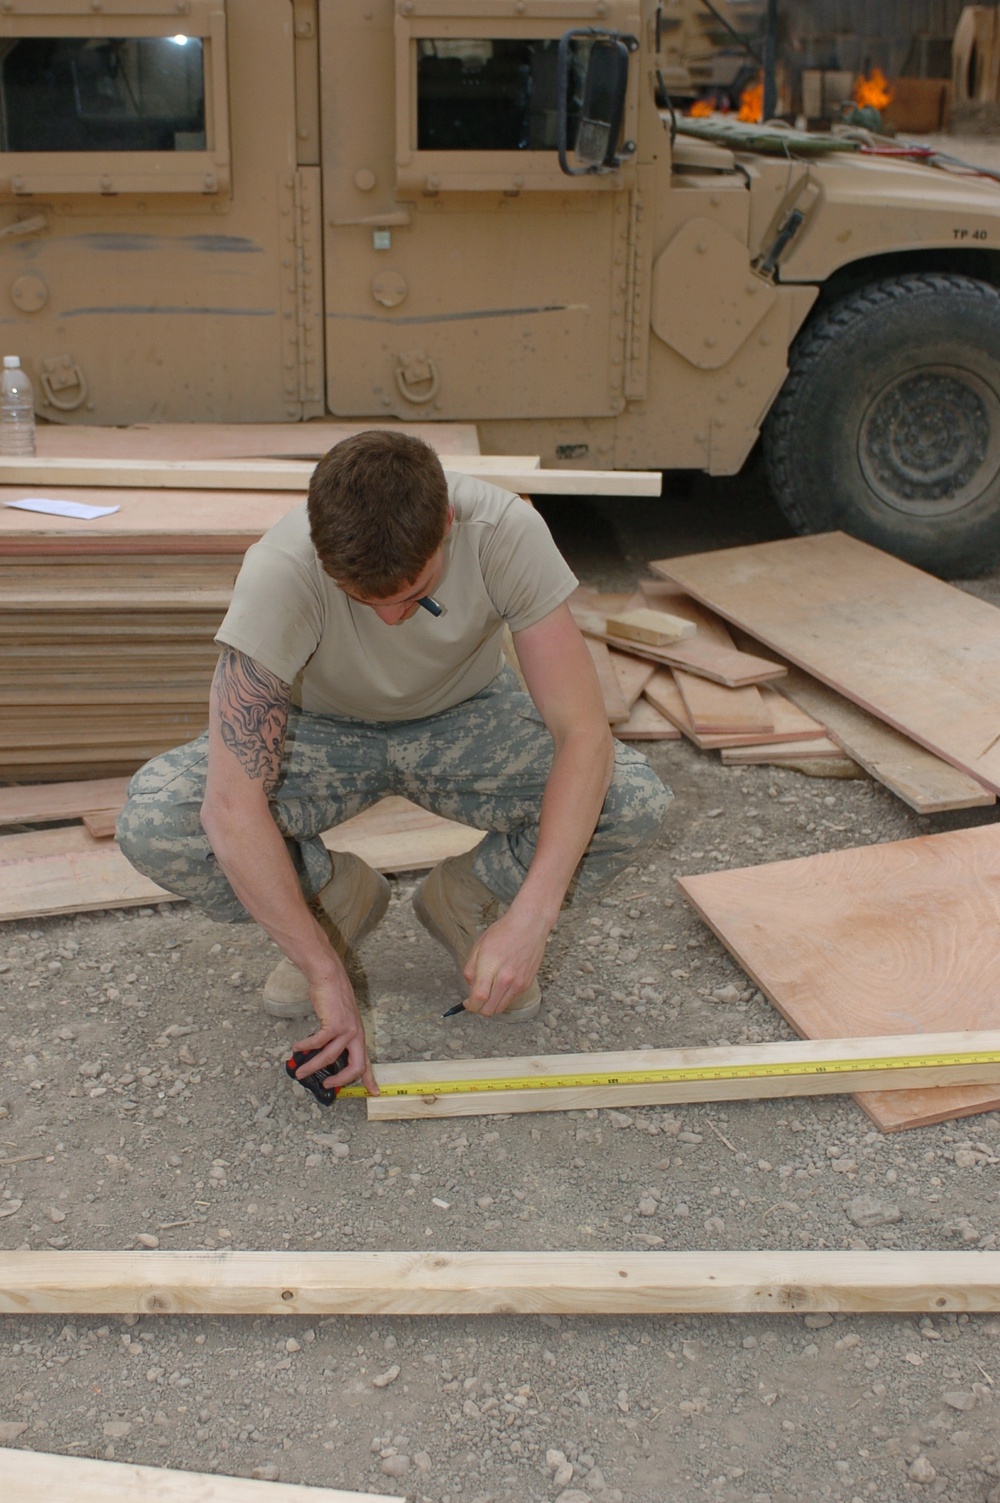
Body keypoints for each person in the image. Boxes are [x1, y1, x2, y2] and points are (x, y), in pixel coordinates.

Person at [117, 431, 672, 1097]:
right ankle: (330, 903)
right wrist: (326, 973)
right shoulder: (281, 567)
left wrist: (531, 917)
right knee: (158, 820)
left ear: (446, 524)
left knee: (630, 798)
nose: (387, 618)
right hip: (319, 731)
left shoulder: (504, 530)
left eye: (413, 592)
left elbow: (583, 734)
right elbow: (230, 808)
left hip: (464, 717)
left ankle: (470, 900)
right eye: (361, 597)